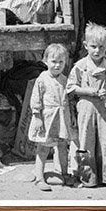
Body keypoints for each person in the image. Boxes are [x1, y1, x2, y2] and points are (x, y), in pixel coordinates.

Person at [66, 23, 106, 192]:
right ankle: (88, 178)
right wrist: (87, 91)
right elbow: (71, 88)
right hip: (86, 109)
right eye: (93, 47)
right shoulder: (80, 66)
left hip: (105, 109)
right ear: (85, 46)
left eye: (101, 47)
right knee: (86, 142)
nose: (97, 51)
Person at [28, 43, 72, 190]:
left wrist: (71, 118)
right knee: (43, 148)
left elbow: (68, 99)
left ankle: (65, 173)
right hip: (47, 119)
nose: (57, 65)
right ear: (45, 61)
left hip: (61, 119)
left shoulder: (65, 80)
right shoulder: (42, 79)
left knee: (62, 147)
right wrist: (37, 117)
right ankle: (39, 178)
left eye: (61, 62)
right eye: (53, 61)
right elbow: (36, 99)